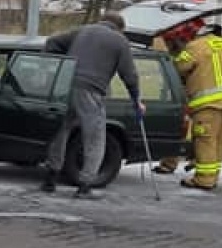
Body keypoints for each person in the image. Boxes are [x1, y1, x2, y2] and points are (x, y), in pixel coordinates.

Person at [41, 12, 143, 198]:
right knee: (94, 137)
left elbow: (52, 42)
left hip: (64, 88)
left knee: (60, 132)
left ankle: (50, 178)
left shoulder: (82, 31)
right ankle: (85, 184)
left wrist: (58, 68)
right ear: (120, 28)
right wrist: (136, 99)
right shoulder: (120, 40)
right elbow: (130, 75)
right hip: (91, 91)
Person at [172, 20, 222, 190]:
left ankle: (204, 180)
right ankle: (213, 176)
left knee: (205, 140)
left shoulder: (195, 46)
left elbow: (179, 67)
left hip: (208, 102)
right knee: (219, 140)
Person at [151, 18, 203, 175]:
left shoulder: (188, 48)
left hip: (189, 89)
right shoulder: (186, 43)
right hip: (182, 87)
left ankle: (181, 160)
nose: (167, 44)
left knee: (190, 127)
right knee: (186, 126)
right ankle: (176, 160)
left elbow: (182, 67)